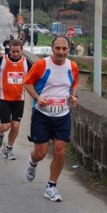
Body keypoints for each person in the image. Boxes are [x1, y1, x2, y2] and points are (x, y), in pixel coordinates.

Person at [23, 35, 79, 202]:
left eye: (64, 49)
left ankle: (51, 186)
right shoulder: (42, 64)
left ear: (69, 49)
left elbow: (74, 83)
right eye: (58, 49)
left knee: (60, 151)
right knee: (40, 153)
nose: (61, 52)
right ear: (52, 48)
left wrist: (73, 97)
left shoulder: (73, 66)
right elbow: (27, 82)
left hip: (62, 114)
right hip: (42, 114)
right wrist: (37, 98)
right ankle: (32, 162)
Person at [0, 39, 32, 160]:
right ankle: (0, 132)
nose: (15, 54)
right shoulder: (2, 60)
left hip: (19, 98)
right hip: (4, 98)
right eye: (13, 51)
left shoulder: (26, 62)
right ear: (9, 50)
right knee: (6, 125)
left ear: (22, 50)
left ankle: (8, 149)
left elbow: (35, 75)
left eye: (18, 51)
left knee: (16, 125)